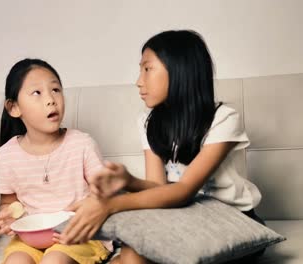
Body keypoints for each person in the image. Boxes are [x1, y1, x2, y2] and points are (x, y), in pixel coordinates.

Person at [57, 30, 264, 263]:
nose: (138, 81)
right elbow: (158, 186)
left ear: (179, 71)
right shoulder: (148, 121)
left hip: (233, 222)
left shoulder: (223, 118)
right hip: (186, 217)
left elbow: (184, 191)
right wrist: (128, 181)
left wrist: (111, 204)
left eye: (147, 69)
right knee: (132, 251)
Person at [0, 58, 110, 264]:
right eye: (37, 93)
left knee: (53, 261)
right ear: (14, 108)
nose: (51, 99)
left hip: (78, 235)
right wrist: (9, 215)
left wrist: (89, 207)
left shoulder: (81, 143)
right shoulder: (7, 154)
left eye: (55, 89)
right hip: (30, 239)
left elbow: (104, 195)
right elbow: (9, 202)